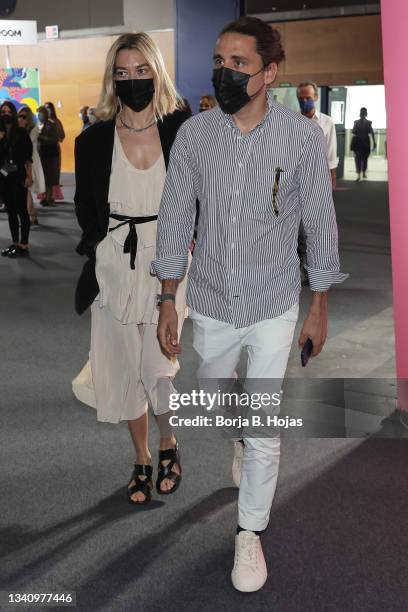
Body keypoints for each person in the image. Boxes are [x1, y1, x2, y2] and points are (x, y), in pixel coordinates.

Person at [152, 16, 347, 592]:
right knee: (214, 400)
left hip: (273, 301)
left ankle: (249, 534)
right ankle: (238, 435)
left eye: (239, 63)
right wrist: (168, 296)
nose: (225, 71)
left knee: (263, 424)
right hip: (210, 297)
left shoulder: (301, 137)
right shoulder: (195, 135)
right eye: (220, 61)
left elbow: (318, 220)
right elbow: (175, 216)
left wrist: (321, 302)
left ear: (270, 72)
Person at [74, 32, 190, 505]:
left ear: (157, 74)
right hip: (115, 266)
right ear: (111, 80)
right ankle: (142, 456)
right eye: (122, 73)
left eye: (142, 71)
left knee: (157, 366)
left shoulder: (183, 129)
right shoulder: (94, 139)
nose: (132, 81)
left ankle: (169, 441)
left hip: (169, 260)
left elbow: (200, 196)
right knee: (125, 368)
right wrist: (99, 246)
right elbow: (86, 206)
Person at [0, 101, 33, 258]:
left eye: (8, 111)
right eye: (3, 111)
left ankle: (24, 245)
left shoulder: (21, 132)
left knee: (22, 211)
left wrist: (30, 176)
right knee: (11, 212)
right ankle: (14, 243)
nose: (5, 114)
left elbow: (28, 158)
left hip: (19, 176)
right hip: (4, 177)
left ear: (13, 113)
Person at [297, 81, 338, 188]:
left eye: (308, 98)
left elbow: (331, 150)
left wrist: (332, 174)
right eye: (301, 98)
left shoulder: (327, 122)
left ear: (316, 97)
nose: (304, 101)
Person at [18, 106, 45, 225]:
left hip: (31, 160)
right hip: (22, 159)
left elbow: (27, 143)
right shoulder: (18, 129)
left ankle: (30, 216)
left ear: (28, 117)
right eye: (19, 116)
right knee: (26, 190)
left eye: (23, 116)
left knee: (28, 189)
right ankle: (32, 216)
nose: (21, 119)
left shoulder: (33, 129)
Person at [37, 105, 60, 207]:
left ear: (45, 114)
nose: (39, 115)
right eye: (38, 113)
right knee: (45, 177)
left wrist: (42, 137)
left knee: (50, 177)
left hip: (50, 154)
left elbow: (55, 138)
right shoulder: (40, 124)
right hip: (43, 153)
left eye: (41, 113)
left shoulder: (50, 124)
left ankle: (50, 198)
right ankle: (45, 197)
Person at [44, 101, 65, 201]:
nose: (47, 110)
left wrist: (51, 137)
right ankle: (45, 195)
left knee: (53, 173)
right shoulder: (41, 122)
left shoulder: (56, 121)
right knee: (44, 174)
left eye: (49, 107)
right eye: (45, 108)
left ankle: (51, 196)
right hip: (42, 150)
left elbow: (61, 136)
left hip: (53, 149)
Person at [351, 107, 376, 180]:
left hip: (359, 141)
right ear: (366, 114)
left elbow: (353, 131)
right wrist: (374, 142)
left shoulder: (356, 122)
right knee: (364, 158)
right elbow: (372, 133)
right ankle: (362, 173)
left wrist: (374, 142)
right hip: (365, 141)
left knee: (359, 158)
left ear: (360, 113)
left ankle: (359, 174)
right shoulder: (368, 123)